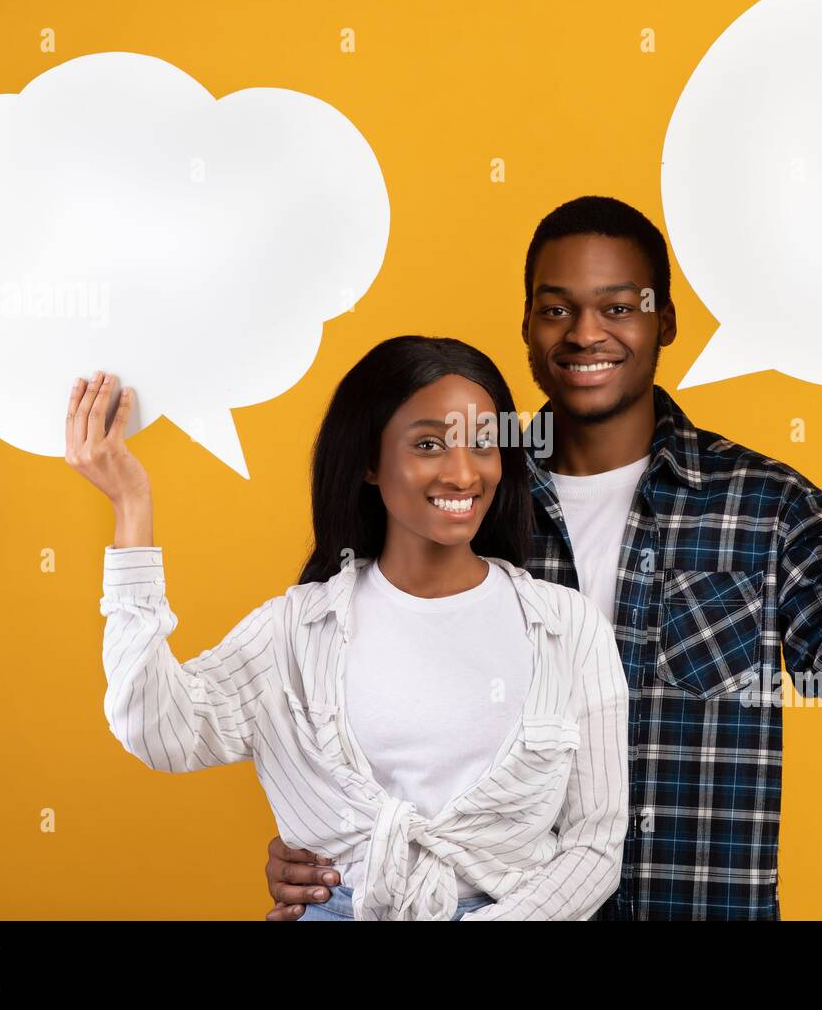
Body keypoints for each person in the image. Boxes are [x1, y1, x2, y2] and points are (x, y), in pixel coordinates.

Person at [265, 195, 822, 920]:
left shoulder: (762, 504)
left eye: (619, 307)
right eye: (556, 309)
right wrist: (320, 852)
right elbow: (338, 705)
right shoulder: (455, 499)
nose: (585, 332)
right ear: (528, 329)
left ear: (665, 322)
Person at [66, 336, 630, 920]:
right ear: (368, 461)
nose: (463, 473)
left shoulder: (568, 626)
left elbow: (595, 846)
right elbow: (156, 729)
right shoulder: (295, 630)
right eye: (429, 444)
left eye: (483, 444)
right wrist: (132, 507)